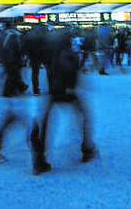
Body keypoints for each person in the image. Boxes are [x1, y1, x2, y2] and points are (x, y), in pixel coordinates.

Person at [29, 27, 97, 175]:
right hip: (66, 91)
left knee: (45, 121)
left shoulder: (50, 53)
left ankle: (40, 156)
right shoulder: (68, 54)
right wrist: (71, 86)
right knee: (85, 115)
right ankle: (87, 148)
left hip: (52, 91)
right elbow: (70, 72)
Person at [0, 22, 31, 163]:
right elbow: (12, 63)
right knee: (13, 117)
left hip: (7, 83)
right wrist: (19, 84)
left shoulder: (0, 37)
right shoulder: (13, 38)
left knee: (10, 117)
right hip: (10, 85)